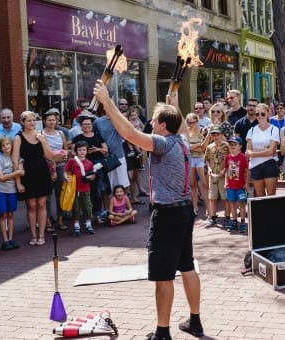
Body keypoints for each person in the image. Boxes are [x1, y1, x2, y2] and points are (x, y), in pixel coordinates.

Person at [94, 79, 204, 340]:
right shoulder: (183, 141)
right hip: (184, 211)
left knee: (163, 276)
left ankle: (162, 333)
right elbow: (174, 118)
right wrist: (173, 98)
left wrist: (107, 102)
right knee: (187, 266)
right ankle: (195, 322)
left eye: (154, 121)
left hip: (167, 215)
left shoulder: (164, 143)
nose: (150, 124)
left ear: (163, 126)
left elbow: (130, 135)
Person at [12, 111, 53, 246]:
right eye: (28, 120)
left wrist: (42, 141)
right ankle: (33, 235)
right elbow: (15, 160)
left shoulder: (40, 135)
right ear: (22, 122)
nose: (32, 123)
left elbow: (49, 156)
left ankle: (41, 235)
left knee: (41, 204)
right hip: (27, 174)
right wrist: (18, 182)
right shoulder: (18, 138)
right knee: (31, 205)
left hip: (42, 172)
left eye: (33, 120)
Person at [71, 112, 109, 223]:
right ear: (81, 126)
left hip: (97, 166)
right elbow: (73, 152)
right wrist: (83, 153)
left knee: (98, 191)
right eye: (84, 124)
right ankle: (85, 213)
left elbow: (105, 150)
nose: (87, 126)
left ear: (92, 125)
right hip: (83, 167)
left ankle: (97, 214)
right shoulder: (78, 137)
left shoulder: (97, 136)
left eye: (89, 124)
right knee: (84, 191)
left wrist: (97, 149)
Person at [0, 136, 24, 250]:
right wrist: (16, 173)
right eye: (3, 145)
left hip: (11, 190)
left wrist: (18, 173)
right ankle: (5, 240)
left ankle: (11, 238)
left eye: (8, 144)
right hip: (0, 190)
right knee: (3, 214)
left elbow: (22, 172)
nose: (6, 147)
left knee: (11, 214)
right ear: (0, 148)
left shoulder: (15, 158)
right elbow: (1, 177)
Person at [42, 108, 69, 232]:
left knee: (61, 194)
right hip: (47, 168)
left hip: (61, 166)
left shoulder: (61, 133)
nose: (52, 122)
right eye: (49, 120)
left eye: (54, 120)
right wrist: (52, 157)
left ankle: (60, 219)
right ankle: (47, 221)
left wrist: (64, 155)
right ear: (44, 121)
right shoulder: (41, 134)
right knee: (47, 195)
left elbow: (66, 149)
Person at [246, 103, 280, 197]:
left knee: (271, 194)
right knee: (259, 195)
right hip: (255, 165)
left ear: (268, 113)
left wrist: (254, 153)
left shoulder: (274, 129)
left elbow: (271, 151)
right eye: (257, 114)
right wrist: (265, 151)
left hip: (270, 164)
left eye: (262, 114)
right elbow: (248, 152)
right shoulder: (252, 130)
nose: (260, 116)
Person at [94, 104, 130, 190]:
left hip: (119, 155)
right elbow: (94, 136)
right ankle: (110, 204)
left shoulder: (120, 120)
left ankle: (122, 203)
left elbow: (127, 133)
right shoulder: (98, 122)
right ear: (104, 109)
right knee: (108, 186)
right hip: (105, 157)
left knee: (123, 184)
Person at [65, 141, 96, 236]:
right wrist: (66, 177)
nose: (82, 152)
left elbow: (93, 175)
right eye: (79, 150)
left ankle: (88, 224)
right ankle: (76, 226)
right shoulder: (72, 161)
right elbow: (66, 171)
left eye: (84, 150)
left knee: (87, 207)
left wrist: (91, 177)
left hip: (85, 188)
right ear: (76, 151)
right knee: (76, 208)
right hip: (74, 189)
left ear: (87, 151)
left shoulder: (89, 163)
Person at [204, 125, 230, 227]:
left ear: (222, 135)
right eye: (213, 134)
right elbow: (207, 159)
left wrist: (225, 170)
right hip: (213, 174)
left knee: (225, 197)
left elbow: (230, 159)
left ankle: (227, 216)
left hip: (223, 175)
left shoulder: (226, 146)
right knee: (212, 197)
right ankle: (213, 216)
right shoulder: (209, 147)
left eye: (217, 134)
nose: (215, 136)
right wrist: (209, 169)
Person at [185, 113, 209, 216]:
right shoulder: (185, 132)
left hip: (200, 158)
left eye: (193, 122)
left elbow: (204, 147)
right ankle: (194, 207)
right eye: (189, 122)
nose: (191, 124)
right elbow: (186, 148)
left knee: (204, 184)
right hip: (190, 159)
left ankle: (209, 208)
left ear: (197, 121)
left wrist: (193, 146)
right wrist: (197, 145)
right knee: (192, 184)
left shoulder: (202, 130)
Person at [224, 136, 249, 232]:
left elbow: (247, 171)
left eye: (235, 144)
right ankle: (234, 221)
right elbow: (226, 170)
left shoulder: (243, 157)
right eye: (230, 144)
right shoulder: (228, 157)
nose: (232, 146)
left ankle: (243, 221)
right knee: (232, 204)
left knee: (242, 204)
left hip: (240, 186)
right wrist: (226, 182)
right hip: (230, 186)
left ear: (240, 146)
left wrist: (246, 183)